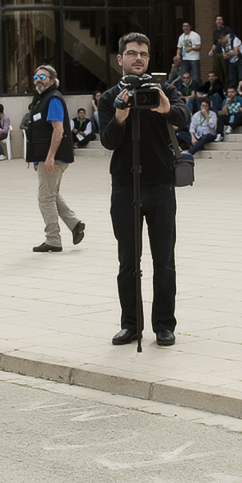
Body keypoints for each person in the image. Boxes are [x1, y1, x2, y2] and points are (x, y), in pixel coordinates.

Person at [97, 33, 185, 347]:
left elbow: (183, 117)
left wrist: (164, 108)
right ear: (119, 59)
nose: (138, 59)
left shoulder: (166, 90)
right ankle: (130, 324)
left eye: (144, 54)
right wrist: (121, 116)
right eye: (132, 53)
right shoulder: (110, 98)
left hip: (161, 185)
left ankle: (164, 325)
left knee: (164, 260)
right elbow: (107, 141)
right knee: (128, 262)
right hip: (124, 186)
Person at [25, 65, 85, 253]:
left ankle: (53, 239)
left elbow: (58, 130)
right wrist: (37, 159)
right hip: (46, 157)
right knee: (52, 194)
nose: (38, 79)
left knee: (45, 198)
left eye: (42, 76)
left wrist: (50, 157)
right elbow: (39, 130)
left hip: (55, 157)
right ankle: (75, 224)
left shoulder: (53, 99)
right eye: (35, 76)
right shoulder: (40, 100)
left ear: (52, 80)